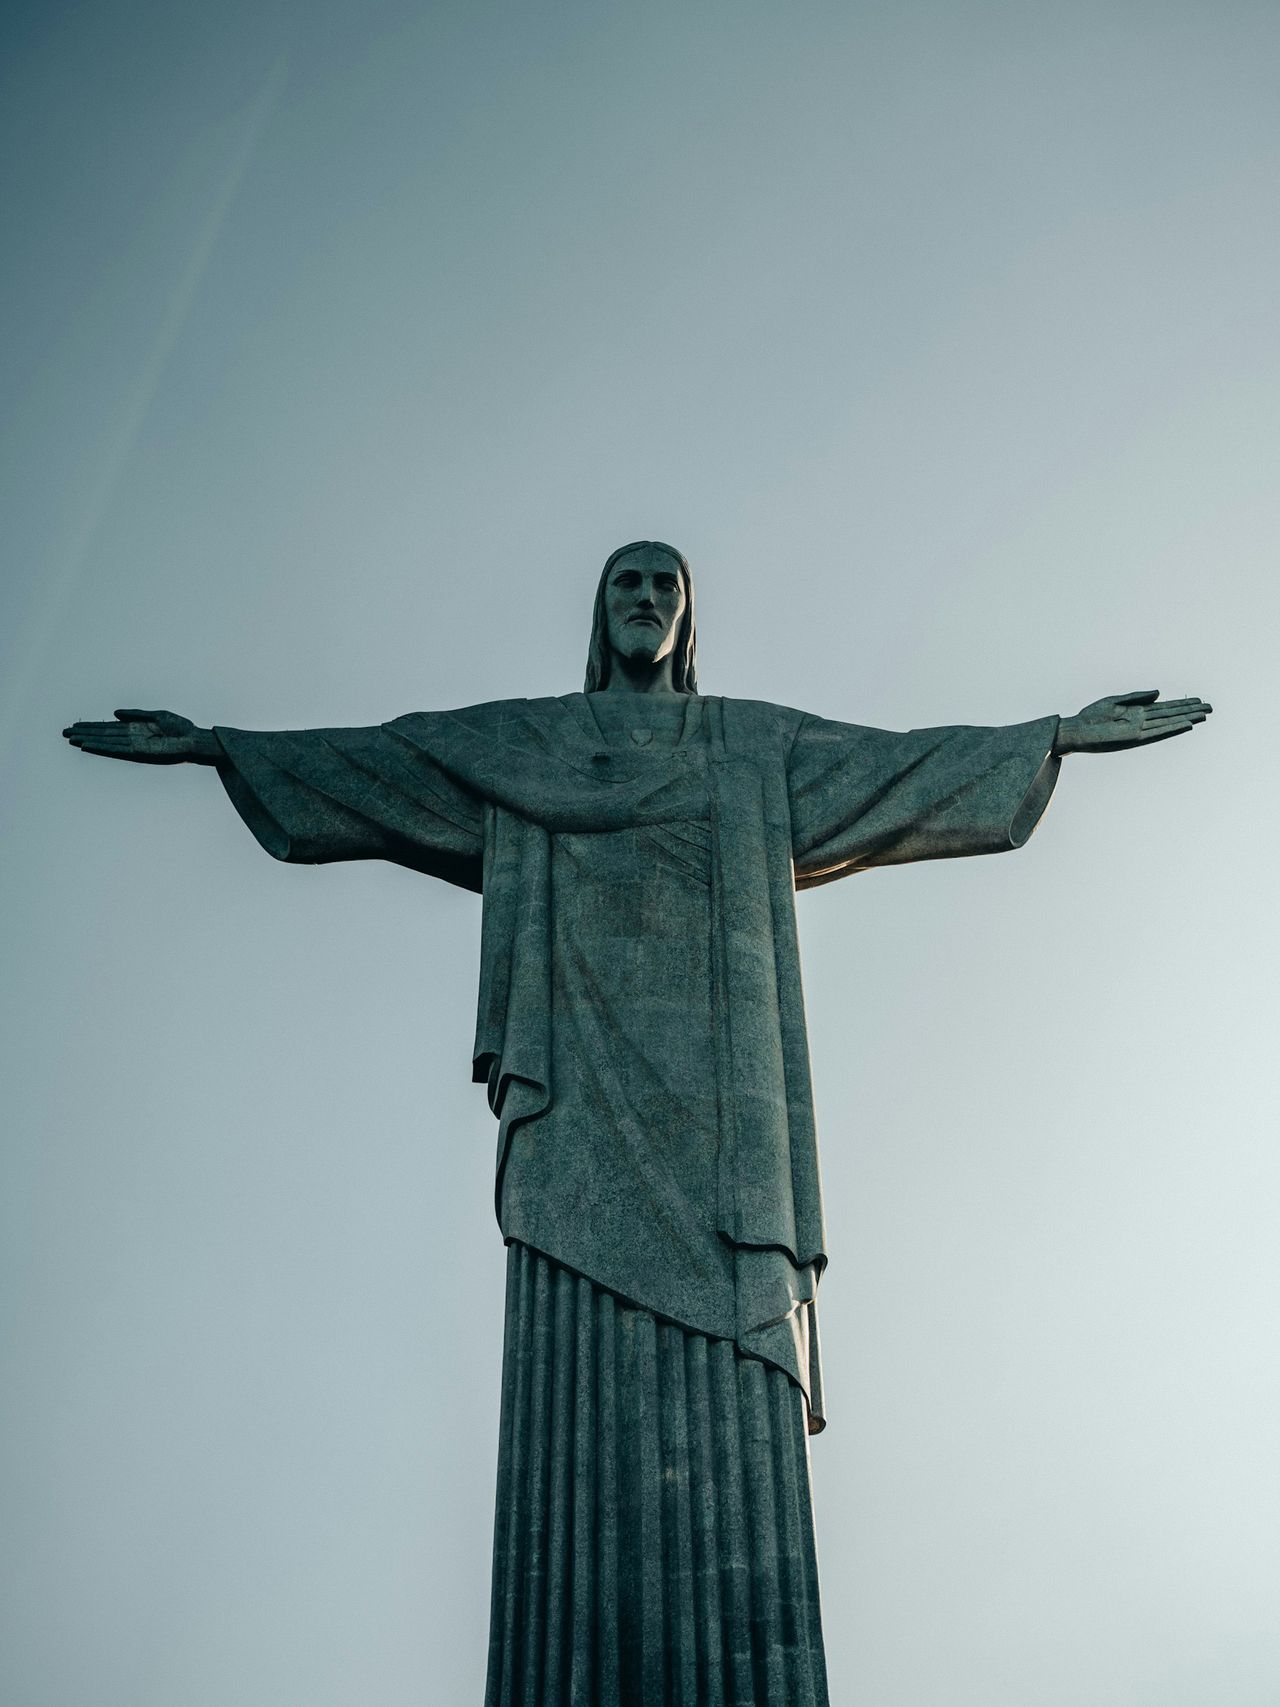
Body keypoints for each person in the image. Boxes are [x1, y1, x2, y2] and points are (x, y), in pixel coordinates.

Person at [64, 541, 1211, 1707]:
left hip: (726, 1133)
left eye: (666, 586)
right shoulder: (529, 747)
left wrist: (1050, 738)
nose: (646, 601)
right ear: (597, 609)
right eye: (627, 582)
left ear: (687, 619)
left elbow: (892, 768)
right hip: (573, 1118)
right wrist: (220, 748)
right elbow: (388, 762)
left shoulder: (749, 747)